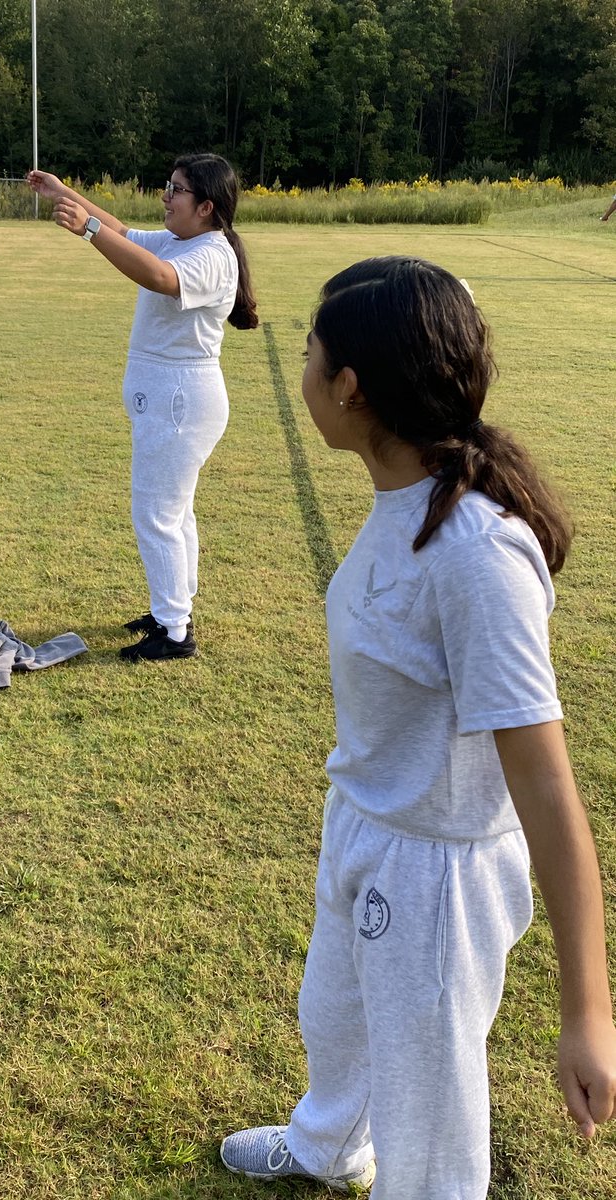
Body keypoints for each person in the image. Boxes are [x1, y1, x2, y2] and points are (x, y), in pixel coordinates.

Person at [220, 257, 616, 1197]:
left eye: (312, 354)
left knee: (429, 1119)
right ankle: (329, 1147)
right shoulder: (407, 496)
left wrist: (588, 1011)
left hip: (435, 874)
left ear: (350, 388)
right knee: (337, 1021)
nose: (304, 369)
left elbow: (549, 785)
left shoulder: (476, 553)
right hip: (368, 822)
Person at [28, 157, 258, 660]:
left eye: (176, 190)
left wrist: (86, 229)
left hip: (181, 402)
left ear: (206, 207)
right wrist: (64, 192)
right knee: (173, 512)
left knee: (157, 512)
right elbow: (124, 232)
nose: (165, 196)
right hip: (170, 400)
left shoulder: (211, 254)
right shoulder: (184, 240)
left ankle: (175, 633)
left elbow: (158, 277)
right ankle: (173, 607)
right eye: (168, 186)